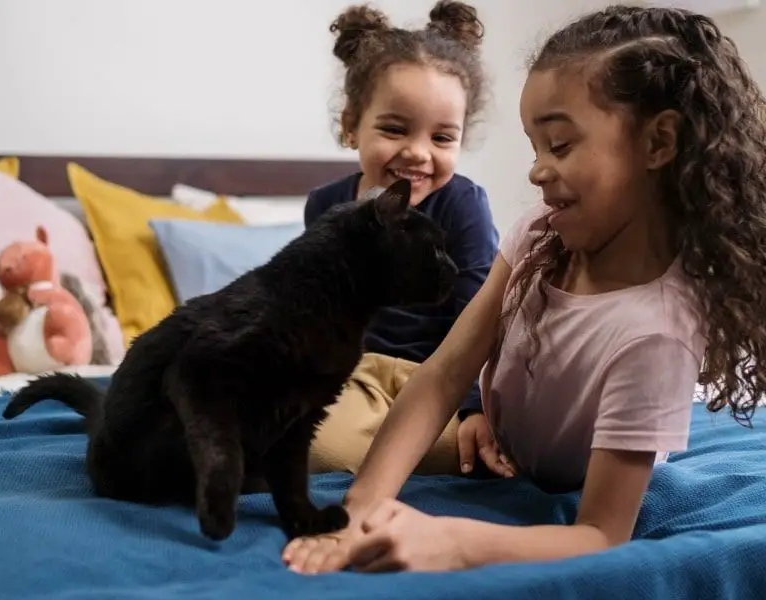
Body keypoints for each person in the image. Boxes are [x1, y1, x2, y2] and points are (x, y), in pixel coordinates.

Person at [285, 4, 766, 573]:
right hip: (490, 432)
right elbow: (444, 373)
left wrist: (451, 542)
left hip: (548, 468)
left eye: (558, 145)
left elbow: (601, 535)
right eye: (534, 147)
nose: (536, 171)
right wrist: (362, 506)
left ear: (658, 143)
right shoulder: (540, 233)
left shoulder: (656, 332)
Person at [306, 1, 501, 477]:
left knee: (515, 440)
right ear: (351, 126)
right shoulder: (325, 206)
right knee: (317, 448)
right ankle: (401, 451)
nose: (417, 153)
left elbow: (477, 320)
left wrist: (475, 407)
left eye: (441, 138)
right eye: (395, 129)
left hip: (439, 378)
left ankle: (409, 448)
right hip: (353, 377)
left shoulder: (464, 205)